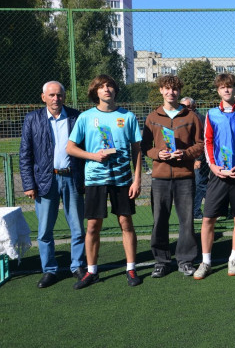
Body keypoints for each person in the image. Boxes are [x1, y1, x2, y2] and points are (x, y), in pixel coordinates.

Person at [66, 75, 143, 289]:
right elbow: (70, 148)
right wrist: (93, 156)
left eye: (110, 86)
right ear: (95, 92)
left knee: (126, 223)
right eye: (101, 86)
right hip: (95, 179)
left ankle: (131, 268)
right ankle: (91, 271)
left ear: (115, 90)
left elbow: (137, 150)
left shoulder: (127, 116)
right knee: (93, 226)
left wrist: (137, 179)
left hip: (122, 179)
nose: (106, 89)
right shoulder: (86, 117)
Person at [19, 81, 86, 288]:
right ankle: (49, 270)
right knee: (44, 231)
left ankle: (78, 266)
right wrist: (29, 184)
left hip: (72, 178)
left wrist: (84, 180)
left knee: (77, 227)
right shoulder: (32, 119)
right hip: (45, 181)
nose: (56, 99)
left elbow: (85, 149)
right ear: (43, 97)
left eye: (59, 95)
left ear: (64, 96)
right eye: (51, 95)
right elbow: (25, 154)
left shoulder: (76, 117)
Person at [141, 76, 203, 278]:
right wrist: (157, 154)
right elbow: (145, 147)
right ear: (161, 90)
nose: (171, 93)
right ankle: (161, 261)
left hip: (185, 176)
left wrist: (185, 154)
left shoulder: (191, 116)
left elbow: (200, 145)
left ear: (179, 91)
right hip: (160, 177)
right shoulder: (153, 117)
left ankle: (185, 260)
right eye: (167, 89)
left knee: (187, 221)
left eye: (175, 89)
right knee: (159, 220)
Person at [195, 73, 235, 279]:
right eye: (222, 87)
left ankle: (233, 259)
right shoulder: (211, 114)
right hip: (218, 174)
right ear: (218, 91)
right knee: (208, 218)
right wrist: (212, 166)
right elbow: (208, 141)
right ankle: (206, 262)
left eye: (229, 86)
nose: (226, 90)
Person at [181, 96, 208, 220]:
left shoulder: (199, 118)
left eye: (187, 106)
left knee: (200, 183)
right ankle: (216, 207)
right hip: (187, 156)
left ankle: (197, 211)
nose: (185, 108)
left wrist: (198, 159)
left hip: (198, 157)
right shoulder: (183, 117)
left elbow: (202, 141)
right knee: (198, 183)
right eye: (182, 106)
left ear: (193, 106)